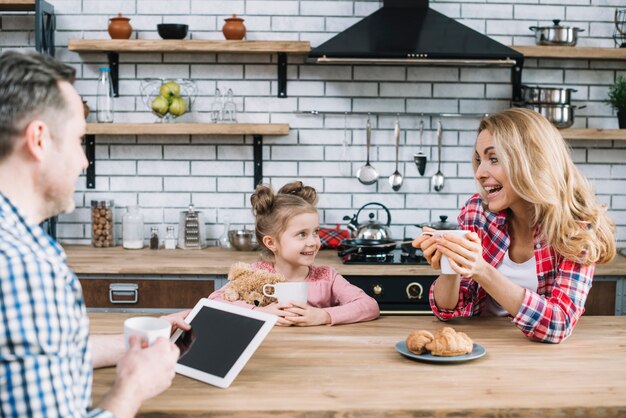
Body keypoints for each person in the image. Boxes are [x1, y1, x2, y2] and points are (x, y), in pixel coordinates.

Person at [0, 50, 190, 417]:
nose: (84, 161)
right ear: (39, 139)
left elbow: (38, 354)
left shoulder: (23, 243)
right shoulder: (21, 266)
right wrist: (130, 391)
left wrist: (139, 346)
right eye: (78, 140)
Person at [413, 108, 615, 344]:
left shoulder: (576, 230)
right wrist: (450, 265)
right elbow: (448, 310)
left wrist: (482, 270)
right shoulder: (477, 212)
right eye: (479, 159)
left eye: (494, 159)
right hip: (480, 346)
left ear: (532, 161)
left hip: (540, 360)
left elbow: (558, 324)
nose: (479, 173)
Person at [209, 181, 380, 326]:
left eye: (316, 232)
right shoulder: (255, 274)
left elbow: (369, 306)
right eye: (302, 234)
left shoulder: (327, 278)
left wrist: (323, 316)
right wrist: (260, 312)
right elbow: (214, 301)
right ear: (271, 243)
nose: (313, 242)